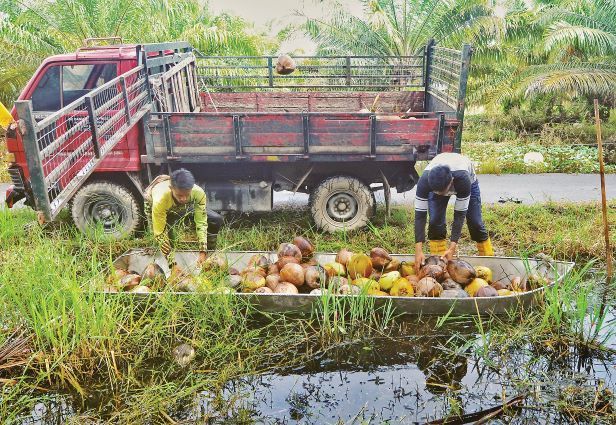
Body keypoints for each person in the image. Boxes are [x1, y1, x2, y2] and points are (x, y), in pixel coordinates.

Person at [414, 153, 493, 271]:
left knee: (475, 222)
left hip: (468, 181)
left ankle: (489, 260)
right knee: (435, 221)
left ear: (451, 181)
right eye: (435, 192)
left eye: (441, 192)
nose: (439, 195)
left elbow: (459, 215)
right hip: (440, 182)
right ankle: (438, 265)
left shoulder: (463, 180)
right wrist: (418, 250)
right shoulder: (424, 182)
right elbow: (420, 216)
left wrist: (452, 248)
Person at [144, 168, 223, 265]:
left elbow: (201, 223)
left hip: (176, 205)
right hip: (154, 202)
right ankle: (163, 261)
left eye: (187, 195)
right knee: (166, 236)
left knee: (214, 219)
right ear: (171, 188)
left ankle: (209, 254)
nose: (184, 199)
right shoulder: (160, 200)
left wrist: (203, 251)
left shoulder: (198, 193)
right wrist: (172, 264)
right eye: (180, 195)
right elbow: (160, 234)